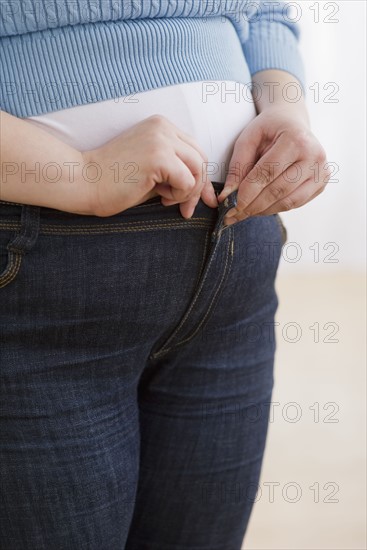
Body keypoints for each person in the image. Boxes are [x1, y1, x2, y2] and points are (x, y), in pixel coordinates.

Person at [0, 1, 330, 548]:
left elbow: (266, 12)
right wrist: (80, 174)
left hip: (234, 264)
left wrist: (287, 113)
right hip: (43, 274)